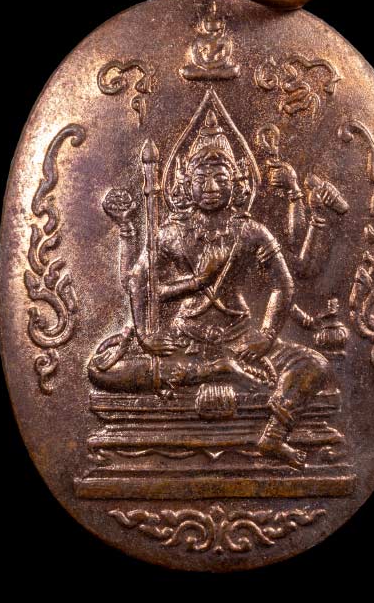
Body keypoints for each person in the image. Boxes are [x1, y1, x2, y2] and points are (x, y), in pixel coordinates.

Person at [92, 110, 335, 469]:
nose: (210, 186)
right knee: (100, 371)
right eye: (201, 177)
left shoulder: (250, 231)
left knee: (315, 364)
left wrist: (266, 335)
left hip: (241, 339)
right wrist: (146, 335)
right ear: (184, 183)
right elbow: (138, 281)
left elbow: (284, 284)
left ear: (237, 183)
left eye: (220, 176)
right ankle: (216, 369)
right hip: (184, 343)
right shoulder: (171, 233)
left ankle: (273, 435)